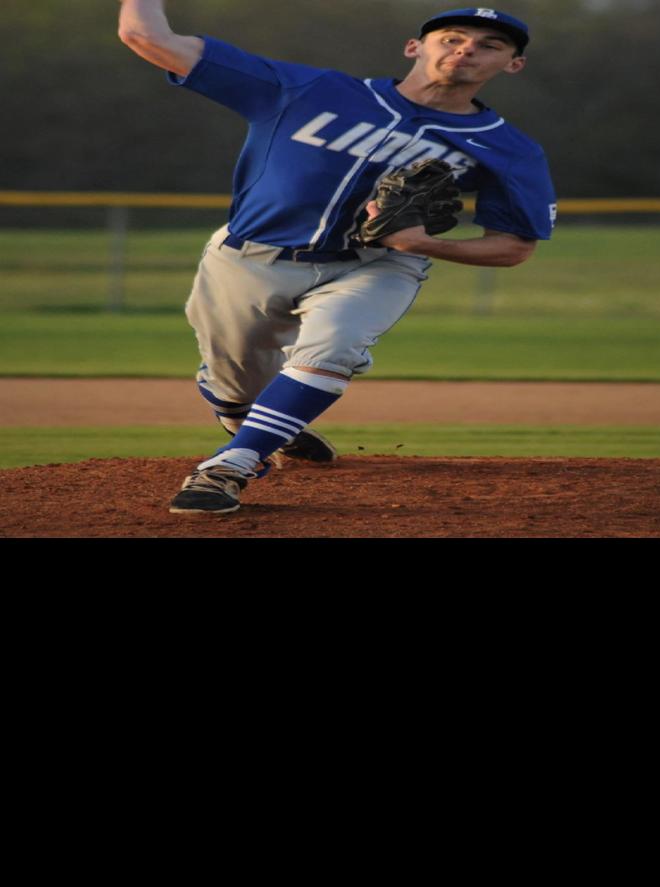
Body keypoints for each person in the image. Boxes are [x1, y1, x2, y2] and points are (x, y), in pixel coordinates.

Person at [117, 2, 557, 514]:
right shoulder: (308, 89)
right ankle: (253, 419)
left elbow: (516, 246)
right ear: (414, 47)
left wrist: (427, 245)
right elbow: (144, 35)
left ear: (512, 64)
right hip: (247, 258)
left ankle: (230, 466)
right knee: (234, 386)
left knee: (336, 345)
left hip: (373, 264)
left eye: (490, 45)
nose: (466, 50)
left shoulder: (507, 148)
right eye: (452, 37)